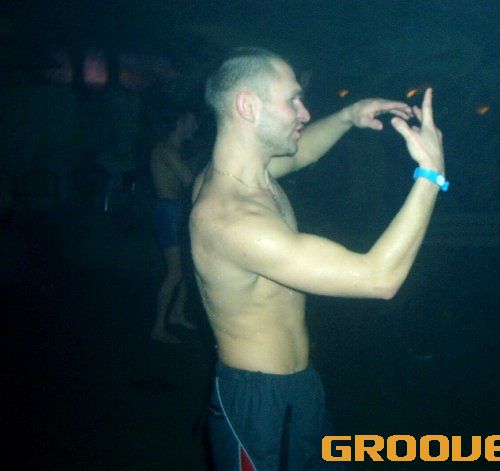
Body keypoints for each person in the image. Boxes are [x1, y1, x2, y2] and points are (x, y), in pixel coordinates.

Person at [190, 47, 446, 469]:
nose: (305, 112)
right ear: (247, 106)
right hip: (260, 407)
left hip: (300, 389)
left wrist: (348, 116)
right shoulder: (231, 220)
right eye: (292, 100)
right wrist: (430, 175)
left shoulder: (251, 176)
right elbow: (378, 278)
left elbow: (302, 152)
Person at [150, 109, 199, 344]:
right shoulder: (166, 150)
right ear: (180, 122)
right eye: (192, 121)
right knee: (176, 271)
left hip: (176, 210)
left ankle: (177, 313)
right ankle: (158, 328)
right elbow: (189, 181)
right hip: (168, 212)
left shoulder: (175, 150)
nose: (196, 127)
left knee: (188, 266)